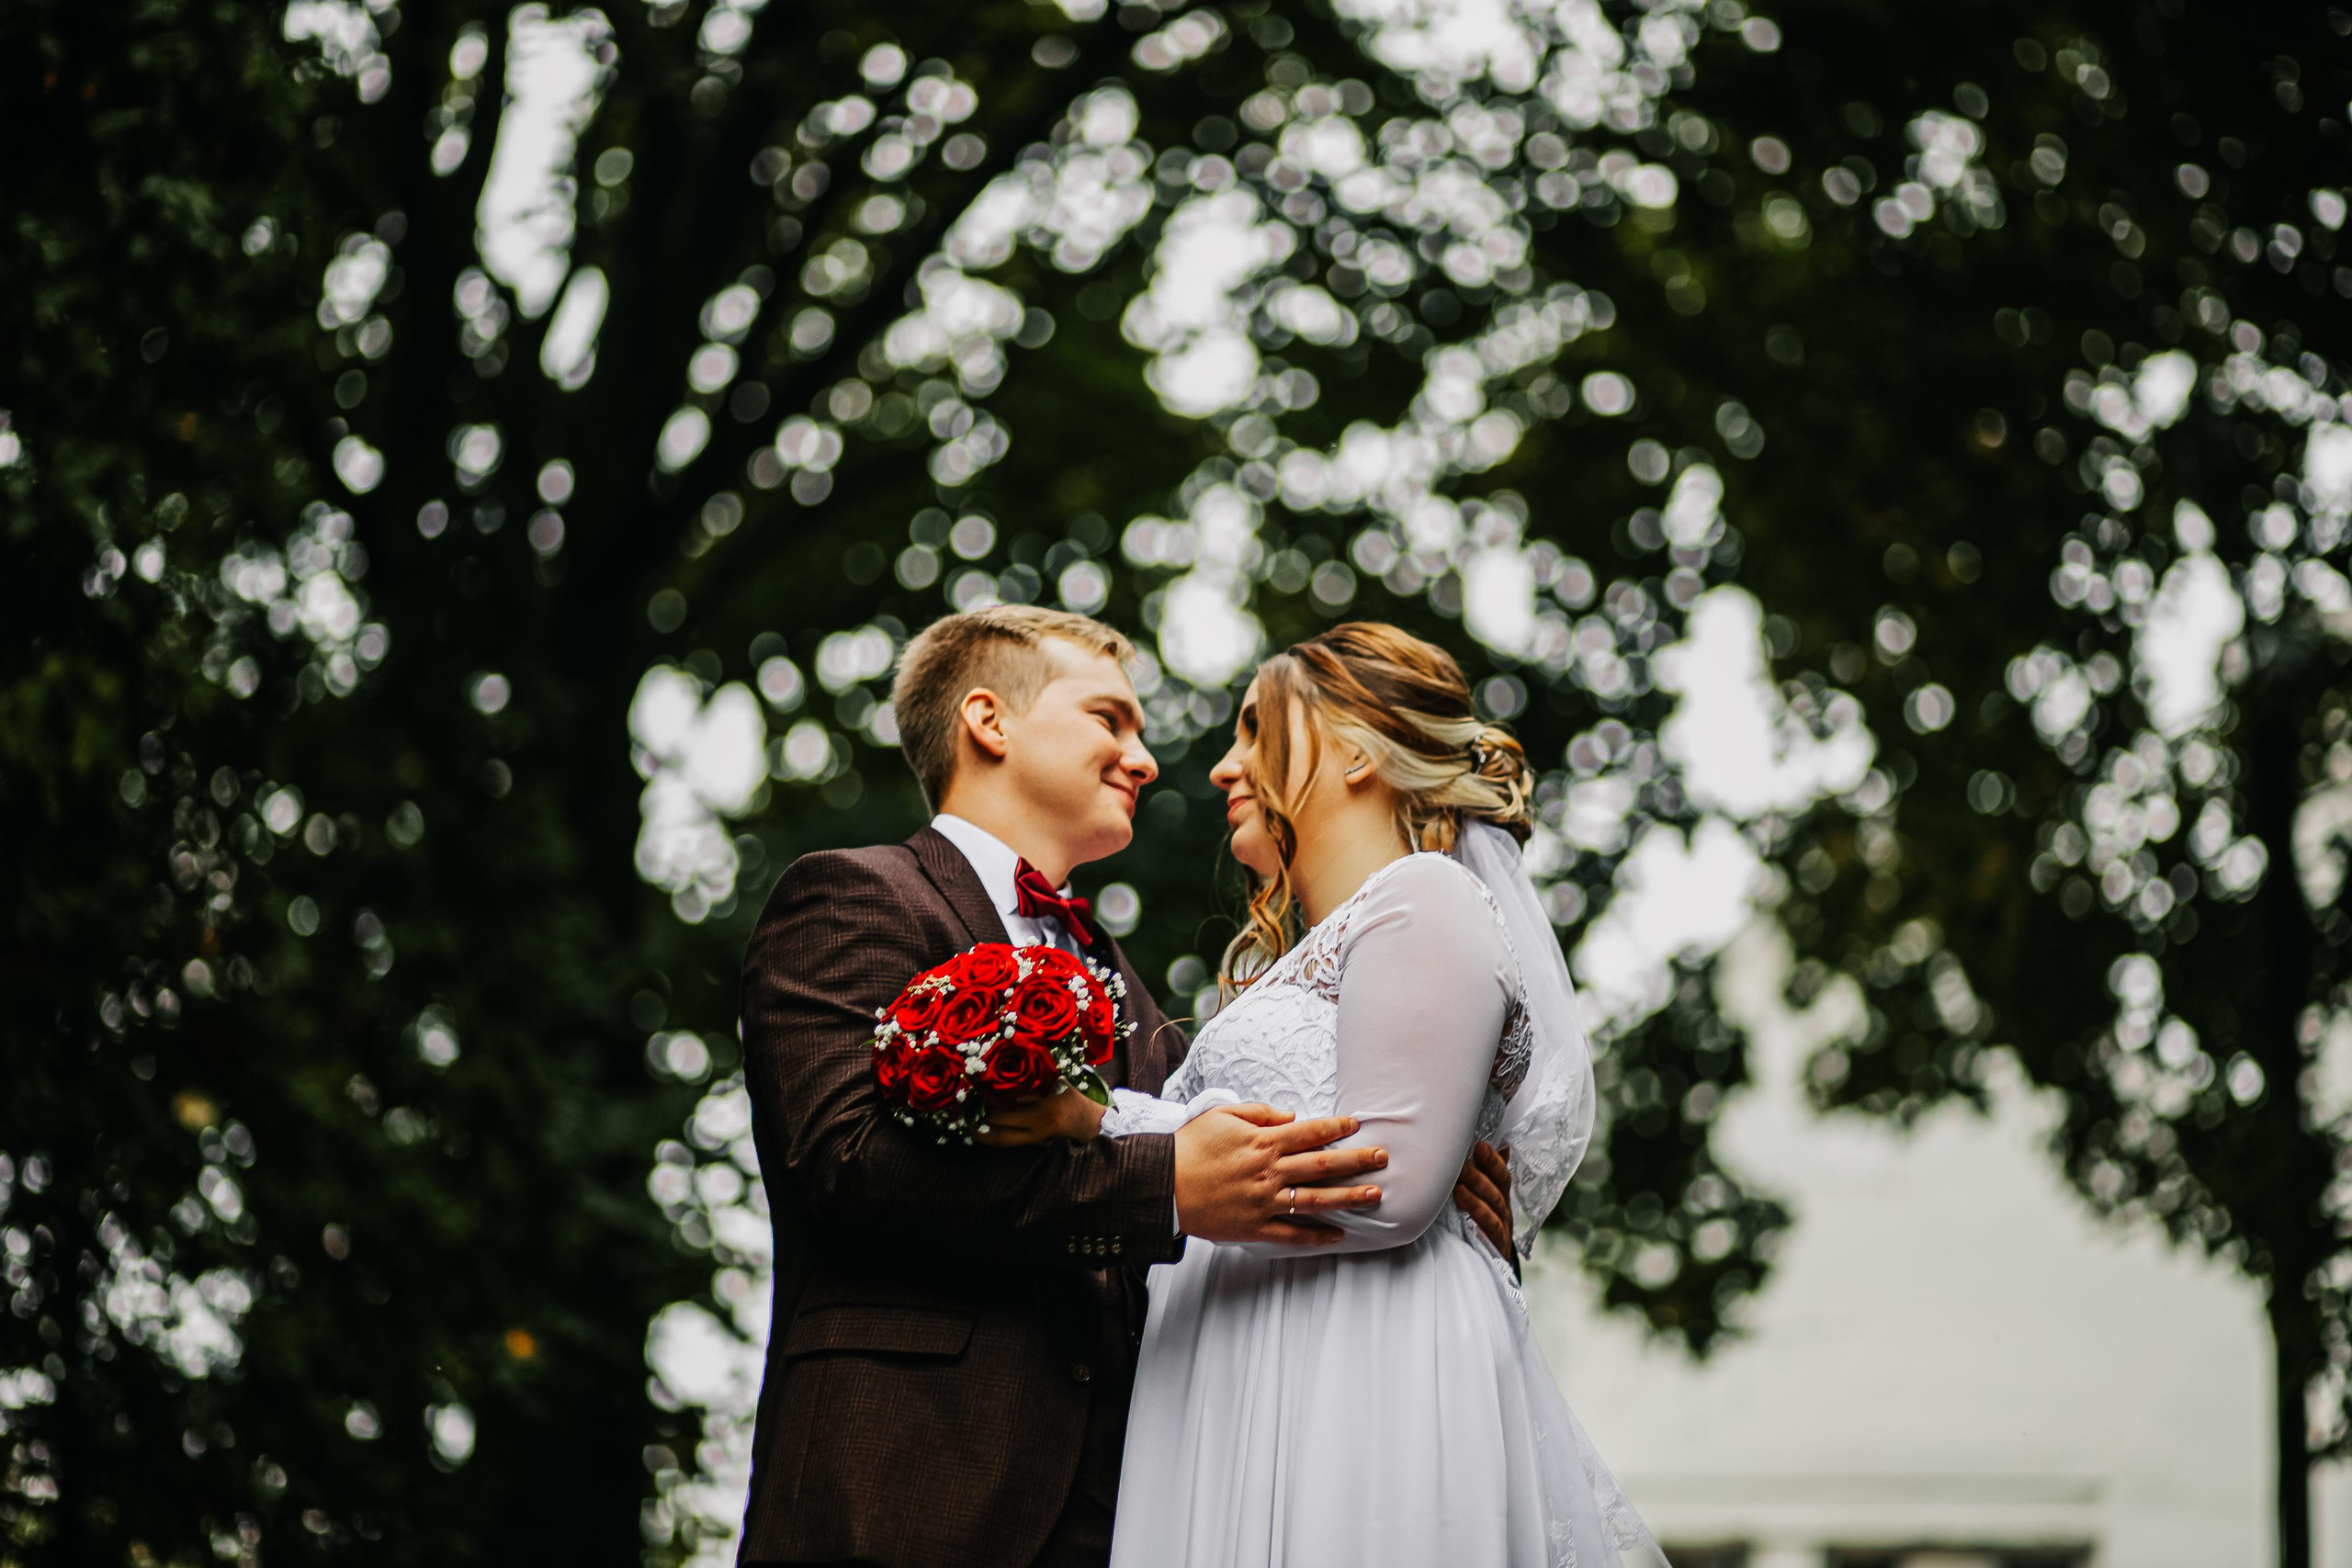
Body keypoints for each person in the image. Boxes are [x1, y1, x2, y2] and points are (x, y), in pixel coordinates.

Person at [735, 605, 1514, 1568]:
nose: (1145, 759)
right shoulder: (854, 895)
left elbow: (1226, 1155)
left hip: (1120, 1510)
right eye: (1111, 719)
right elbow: (849, 1168)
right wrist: (1169, 1191)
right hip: (907, 1494)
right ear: (990, 721)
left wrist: (1429, 1196)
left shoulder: (1130, 996)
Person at [1004, 622, 1665, 1568]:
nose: (1226, 767)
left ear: (1355, 749)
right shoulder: (1296, 965)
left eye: (1254, 731)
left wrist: (1101, 1121)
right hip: (1241, 1361)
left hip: (1350, 1363)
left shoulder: (1423, 898)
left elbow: (1388, 1187)